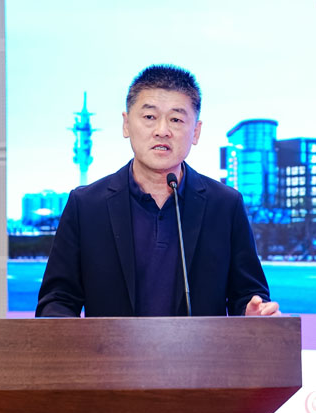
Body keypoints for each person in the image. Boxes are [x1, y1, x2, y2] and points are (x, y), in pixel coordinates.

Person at [36, 64, 280, 317]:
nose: (162, 131)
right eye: (149, 117)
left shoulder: (225, 205)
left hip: (199, 346)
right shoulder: (86, 205)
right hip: (109, 345)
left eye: (176, 119)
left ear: (196, 132)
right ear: (126, 124)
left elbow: (248, 294)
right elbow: (57, 300)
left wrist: (254, 315)